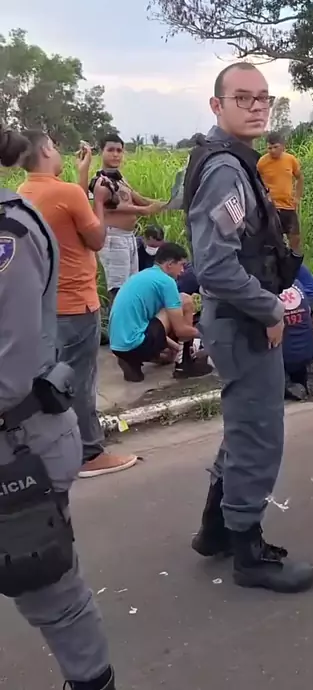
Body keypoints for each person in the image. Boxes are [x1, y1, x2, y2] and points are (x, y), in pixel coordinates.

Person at [184, 61, 313, 593]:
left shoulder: (235, 159)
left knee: (243, 428)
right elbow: (215, 265)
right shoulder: (226, 170)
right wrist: (269, 309)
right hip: (243, 323)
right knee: (258, 435)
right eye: (243, 98)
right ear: (217, 105)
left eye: (263, 97)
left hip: (237, 319)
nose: (257, 106)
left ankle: (216, 529)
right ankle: (249, 552)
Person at [0, 125, 116, 689]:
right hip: (72, 310)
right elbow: (96, 237)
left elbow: (10, 370)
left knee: (47, 589)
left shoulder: (12, 227)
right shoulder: (56, 195)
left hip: (19, 441)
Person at [18, 131, 137, 479]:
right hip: (77, 302)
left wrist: (83, 174)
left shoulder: (24, 192)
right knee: (80, 381)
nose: (59, 152)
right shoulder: (67, 193)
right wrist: (98, 200)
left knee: (54, 378)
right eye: (54, 146)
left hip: (47, 304)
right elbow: (96, 238)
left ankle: (55, 448)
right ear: (45, 151)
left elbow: (71, 209)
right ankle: (89, 453)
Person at [79, 134, 165, 301]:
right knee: (119, 291)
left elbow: (137, 197)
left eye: (119, 150)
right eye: (111, 150)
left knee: (131, 287)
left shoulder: (120, 179)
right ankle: (116, 317)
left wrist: (165, 204)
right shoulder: (100, 181)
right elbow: (109, 206)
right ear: (102, 152)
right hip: (114, 238)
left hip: (128, 238)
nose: (116, 154)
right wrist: (143, 210)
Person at [109, 242, 211, 382]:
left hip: (119, 346)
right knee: (185, 300)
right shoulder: (166, 282)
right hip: (137, 344)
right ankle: (185, 362)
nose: (182, 271)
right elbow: (181, 331)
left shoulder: (143, 276)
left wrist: (176, 348)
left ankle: (131, 360)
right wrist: (209, 334)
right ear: (169, 264)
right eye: (181, 265)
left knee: (169, 355)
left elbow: (150, 324)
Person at [258, 131, 304, 252]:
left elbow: (299, 178)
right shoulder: (261, 163)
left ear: (283, 146)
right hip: (272, 207)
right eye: (269, 148)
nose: (272, 150)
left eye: (275, 147)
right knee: (274, 241)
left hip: (288, 206)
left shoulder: (290, 160)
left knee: (295, 238)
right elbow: (256, 182)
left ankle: (295, 261)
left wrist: (297, 197)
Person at [280, 279, 313, 400]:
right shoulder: (297, 282)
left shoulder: (263, 288)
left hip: (282, 358)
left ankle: (285, 382)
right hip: (308, 351)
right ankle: (308, 370)